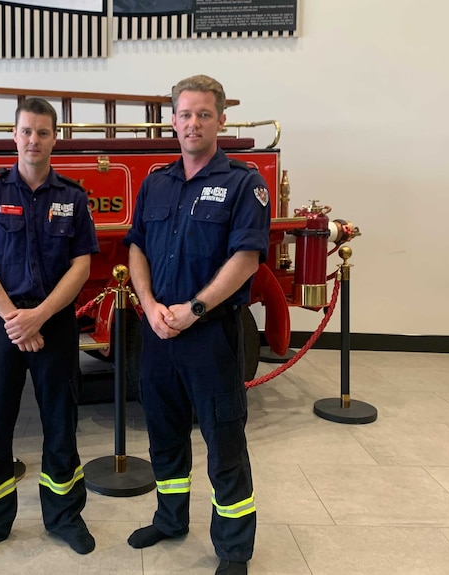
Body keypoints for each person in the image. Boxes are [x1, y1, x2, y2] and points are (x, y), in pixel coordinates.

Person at [123, 75, 270, 575]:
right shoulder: (155, 181)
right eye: (184, 114)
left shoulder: (244, 183)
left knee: (224, 442)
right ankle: (170, 520)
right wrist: (148, 304)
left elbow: (246, 258)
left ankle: (233, 550)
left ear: (221, 120)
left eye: (203, 114)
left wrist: (195, 310)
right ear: (172, 121)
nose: (193, 123)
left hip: (210, 336)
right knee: (163, 436)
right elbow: (137, 245)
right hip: (159, 332)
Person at [0, 97, 100, 561]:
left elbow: (81, 266)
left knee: (62, 424)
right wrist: (15, 320)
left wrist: (38, 317)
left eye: (42, 132)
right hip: (2, 323)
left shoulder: (72, 198)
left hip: (53, 323)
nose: (33, 140)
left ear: (55, 137)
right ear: (13, 136)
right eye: (26, 131)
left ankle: (64, 518)